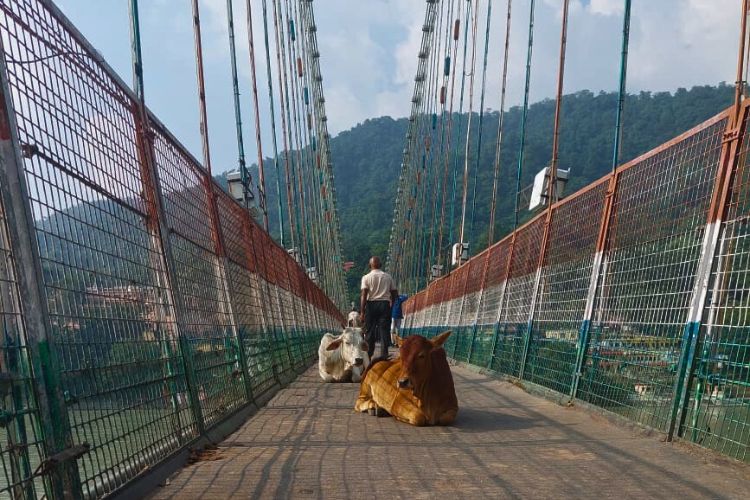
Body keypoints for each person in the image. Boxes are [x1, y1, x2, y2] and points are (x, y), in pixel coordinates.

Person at [360, 256, 397, 360]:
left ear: (369, 266)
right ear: (380, 265)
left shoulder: (366, 277)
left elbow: (363, 294)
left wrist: (362, 312)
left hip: (371, 305)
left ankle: (368, 356)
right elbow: (394, 293)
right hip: (384, 305)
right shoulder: (388, 277)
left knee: (369, 333)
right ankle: (384, 357)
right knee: (384, 332)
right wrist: (392, 304)